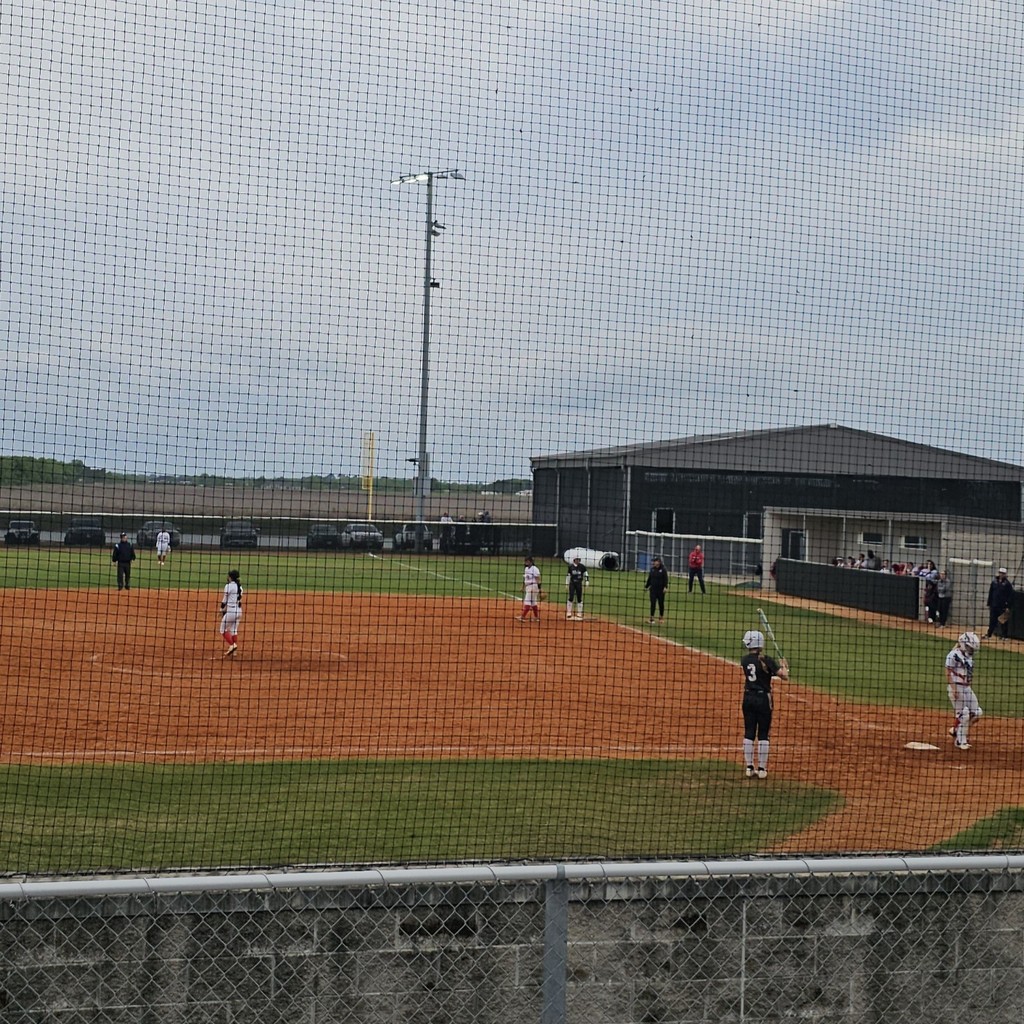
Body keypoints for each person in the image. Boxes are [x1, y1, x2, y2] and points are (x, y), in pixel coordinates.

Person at [740, 629, 789, 779]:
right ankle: (762, 769)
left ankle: (749, 767)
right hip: (763, 701)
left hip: (748, 698)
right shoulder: (767, 660)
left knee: (749, 731)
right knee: (763, 734)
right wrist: (784, 666)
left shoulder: (745, 660)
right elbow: (784, 676)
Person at [945, 631, 981, 750]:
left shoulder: (968, 656)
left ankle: (956, 730)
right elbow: (948, 673)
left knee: (976, 713)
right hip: (956, 687)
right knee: (964, 714)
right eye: (970, 647)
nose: (972, 650)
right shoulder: (953, 655)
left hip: (966, 687)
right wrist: (954, 689)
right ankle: (960, 741)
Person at [985, 568, 1014, 639]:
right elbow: (991, 593)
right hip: (994, 605)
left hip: (1002, 606)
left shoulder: (1007, 584)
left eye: (1003, 573)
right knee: (992, 620)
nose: (1001, 574)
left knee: (1003, 621)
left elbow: (1010, 596)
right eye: (1000, 573)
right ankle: (989, 634)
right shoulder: (994, 582)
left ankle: (1004, 636)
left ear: (1005, 574)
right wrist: (989, 603)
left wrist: (1008, 606)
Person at [220, 569, 243, 656]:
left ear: (230, 577)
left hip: (231, 611)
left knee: (222, 629)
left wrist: (221, 609)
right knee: (234, 630)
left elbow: (224, 600)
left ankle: (232, 645)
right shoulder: (240, 587)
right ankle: (235, 651)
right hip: (239, 611)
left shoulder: (228, 586)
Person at [644, 557, 669, 625]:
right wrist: (646, 586)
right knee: (653, 603)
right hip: (653, 590)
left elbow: (665, 579)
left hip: (661, 590)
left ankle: (661, 617)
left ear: (658, 562)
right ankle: (651, 618)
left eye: (654, 561)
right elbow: (650, 579)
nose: (653, 563)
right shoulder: (652, 569)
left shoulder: (663, 570)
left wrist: (665, 587)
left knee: (661, 604)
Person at [517, 556, 542, 623]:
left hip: (533, 586)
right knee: (533, 602)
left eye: (527, 561)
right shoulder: (526, 569)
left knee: (527, 601)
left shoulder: (535, 569)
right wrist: (523, 587)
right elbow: (525, 579)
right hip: (528, 587)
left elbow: (538, 579)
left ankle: (523, 617)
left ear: (531, 562)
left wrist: (540, 589)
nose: (526, 562)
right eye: (525, 561)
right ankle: (536, 617)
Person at [565, 556, 589, 620]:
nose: (577, 560)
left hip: (579, 584)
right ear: (574, 560)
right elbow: (568, 575)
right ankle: (569, 612)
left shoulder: (582, 567)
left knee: (579, 597)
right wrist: (567, 583)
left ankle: (579, 613)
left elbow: (586, 574)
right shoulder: (571, 567)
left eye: (578, 559)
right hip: (572, 583)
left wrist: (587, 581)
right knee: (571, 597)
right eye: (576, 559)